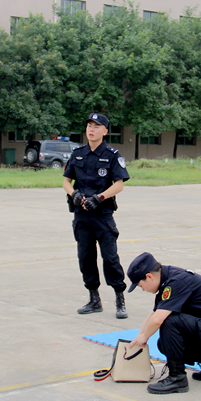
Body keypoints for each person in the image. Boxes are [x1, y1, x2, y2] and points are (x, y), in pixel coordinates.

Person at [126, 252, 201, 394]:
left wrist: (145, 337)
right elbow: (154, 314)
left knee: (169, 321)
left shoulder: (176, 282)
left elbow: (158, 319)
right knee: (165, 344)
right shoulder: (166, 279)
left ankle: (177, 378)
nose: (143, 289)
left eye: (141, 285)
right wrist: (140, 335)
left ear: (149, 276)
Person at [63, 113, 130, 319]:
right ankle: (94, 299)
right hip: (82, 216)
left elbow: (119, 184)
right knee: (85, 258)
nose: (91, 129)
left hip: (102, 214)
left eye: (96, 126)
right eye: (89, 126)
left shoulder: (112, 155)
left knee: (110, 258)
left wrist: (100, 198)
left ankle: (119, 299)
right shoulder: (78, 153)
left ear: (105, 131)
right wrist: (74, 194)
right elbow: (66, 181)